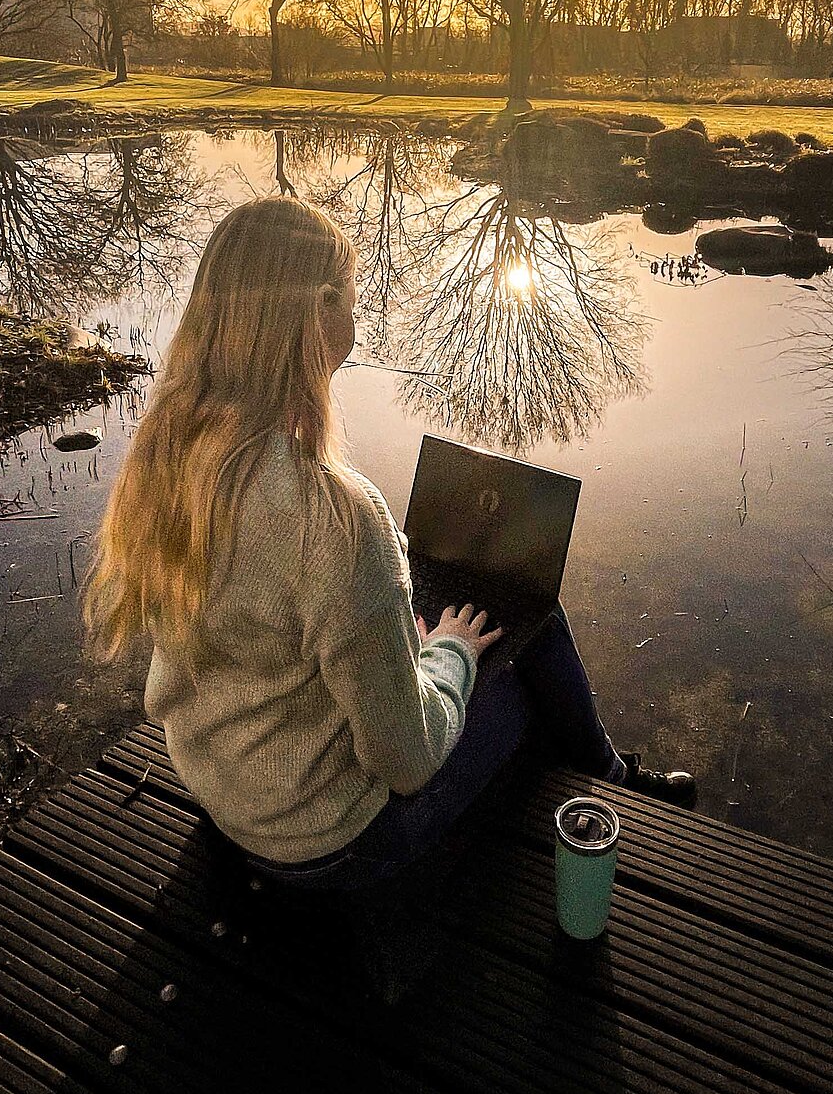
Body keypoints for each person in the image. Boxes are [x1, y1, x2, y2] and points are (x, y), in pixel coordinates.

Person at [85, 196, 695, 895]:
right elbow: (407, 760)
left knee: (470, 637)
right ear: (320, 314)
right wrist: (450, 657)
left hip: (219, 788)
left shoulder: (168, 455)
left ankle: (605, 774)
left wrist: (385, 630)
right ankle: (610, 784)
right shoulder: (335, 516)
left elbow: (267, 627)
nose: (358, 316)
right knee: (526, 639)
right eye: (352, 298)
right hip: (329, 847)